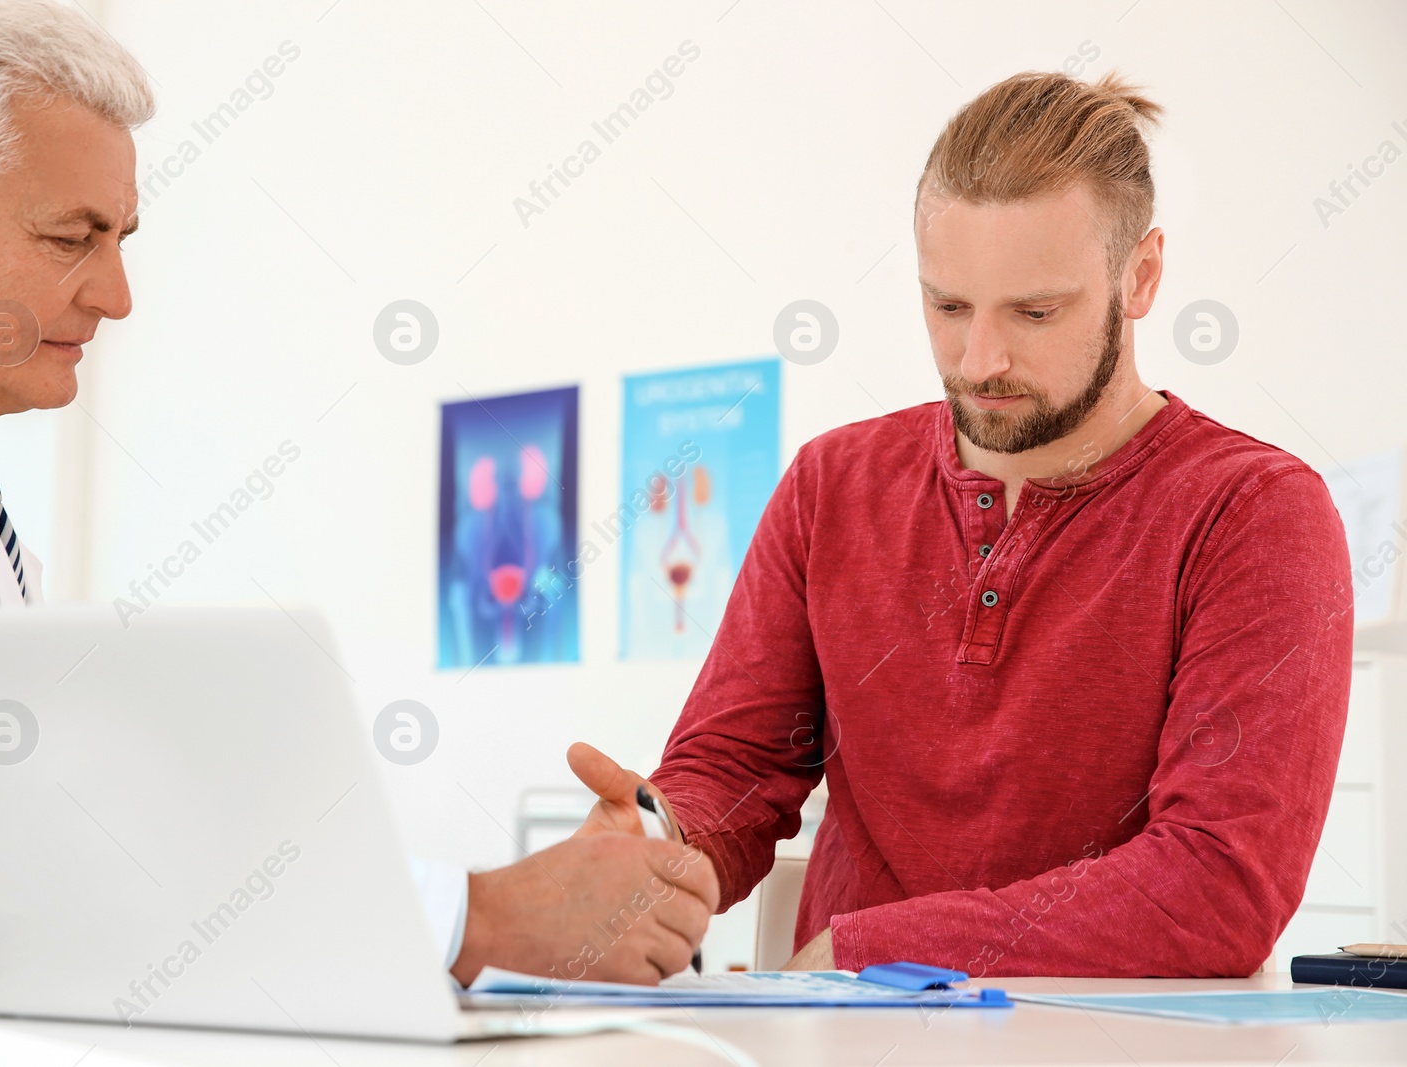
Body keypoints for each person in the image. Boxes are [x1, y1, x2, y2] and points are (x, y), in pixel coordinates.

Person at [0, 3, 714, 1060]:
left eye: (120, 239)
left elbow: (80, 825)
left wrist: (528, 901)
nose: (116, 294)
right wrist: (491, 916)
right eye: (71, 238)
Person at [570, 70, 1354, 978]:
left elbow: (1219, 885)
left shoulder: (1255, 512)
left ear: (1140, 277)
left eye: (1035, 312)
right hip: (843, 1040)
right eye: (947, 307)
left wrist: (873, 948)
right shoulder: (832, 482)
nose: (980, 359)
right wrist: (663, 845)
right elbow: (738, 767)